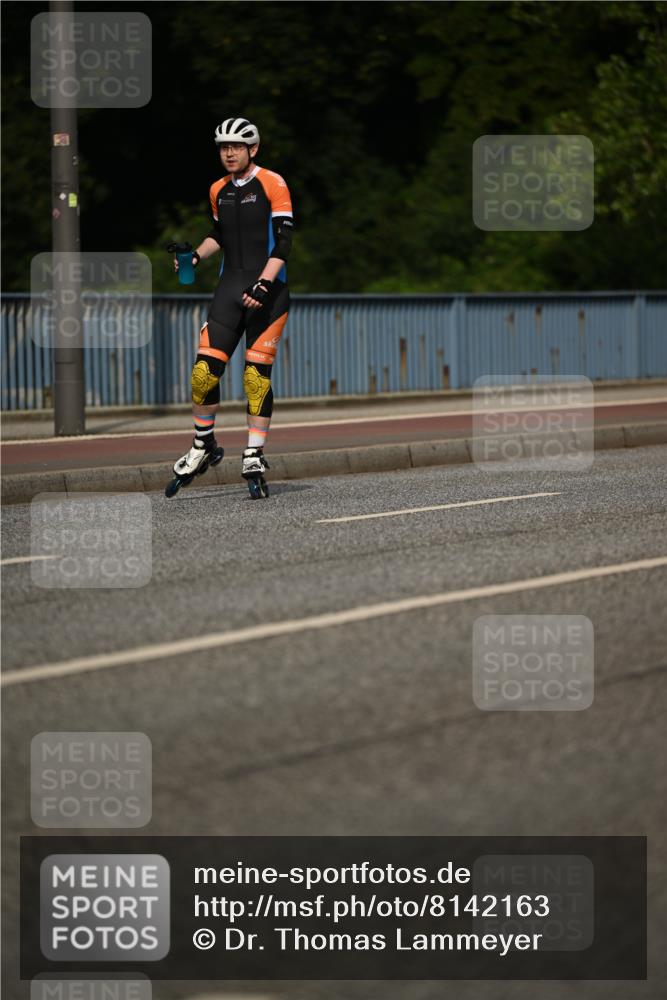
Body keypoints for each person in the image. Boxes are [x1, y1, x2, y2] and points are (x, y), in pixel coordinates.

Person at [170, 116, 294, 496]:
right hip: (229, 289)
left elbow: (284, 242)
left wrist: (263, 282)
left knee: (255, 379)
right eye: (223, 147)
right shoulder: (217, 189)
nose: (229, 152)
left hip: (268, 292)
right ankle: (203, 444)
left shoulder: (273, 183)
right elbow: (219, 234)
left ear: (252, 149)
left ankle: (254, 452)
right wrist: (196, 255)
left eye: (236, 147)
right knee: (202, 374)